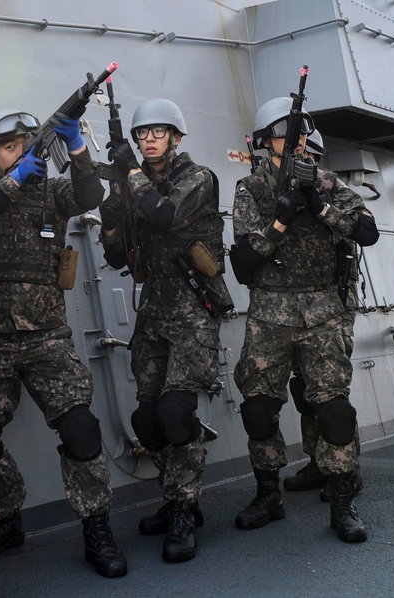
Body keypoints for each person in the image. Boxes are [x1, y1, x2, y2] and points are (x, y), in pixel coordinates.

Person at [0, 109, 127, 577]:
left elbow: (91, 193)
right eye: (10, 146)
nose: (20, 153)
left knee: (81, 430)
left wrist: (77, 148)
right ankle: (5, 517)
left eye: (26, 144)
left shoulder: (52, 194)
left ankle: (97, 527)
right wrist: (13, 181)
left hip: (46, 336)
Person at [231, 96, 378, 543]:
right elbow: (243, 261)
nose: (292, 144)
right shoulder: (250, 189)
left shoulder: (329, 183)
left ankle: (342, 500)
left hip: (321, 310)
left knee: (333, 408)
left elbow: (367, 231)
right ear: (265, 142)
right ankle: (268, 494)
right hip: (269, 313)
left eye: (297, 136)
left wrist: (319, 206)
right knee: (259, 407)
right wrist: (280, 221)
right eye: (283, 135)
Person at [98, 99, 231, 563]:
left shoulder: (198, 178)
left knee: (177, 412)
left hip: (194, 306)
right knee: (147, 418)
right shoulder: (135, 185)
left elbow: (164, 216)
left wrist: (130, 175)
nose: (148, 140)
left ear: (175, 137)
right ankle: (177, 498)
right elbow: (116, 255)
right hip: (154, 309)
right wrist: (113, 216)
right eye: (141, 134)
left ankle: (183, 509)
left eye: (158, 132)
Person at [281, 129, 364, 503]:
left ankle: (346, 468)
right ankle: (318, 460)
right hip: (299, 303)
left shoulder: (337, 190)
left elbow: (363, 229)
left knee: (331, 392)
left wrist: (320, 204)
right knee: (304, 387)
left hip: (336, 301)